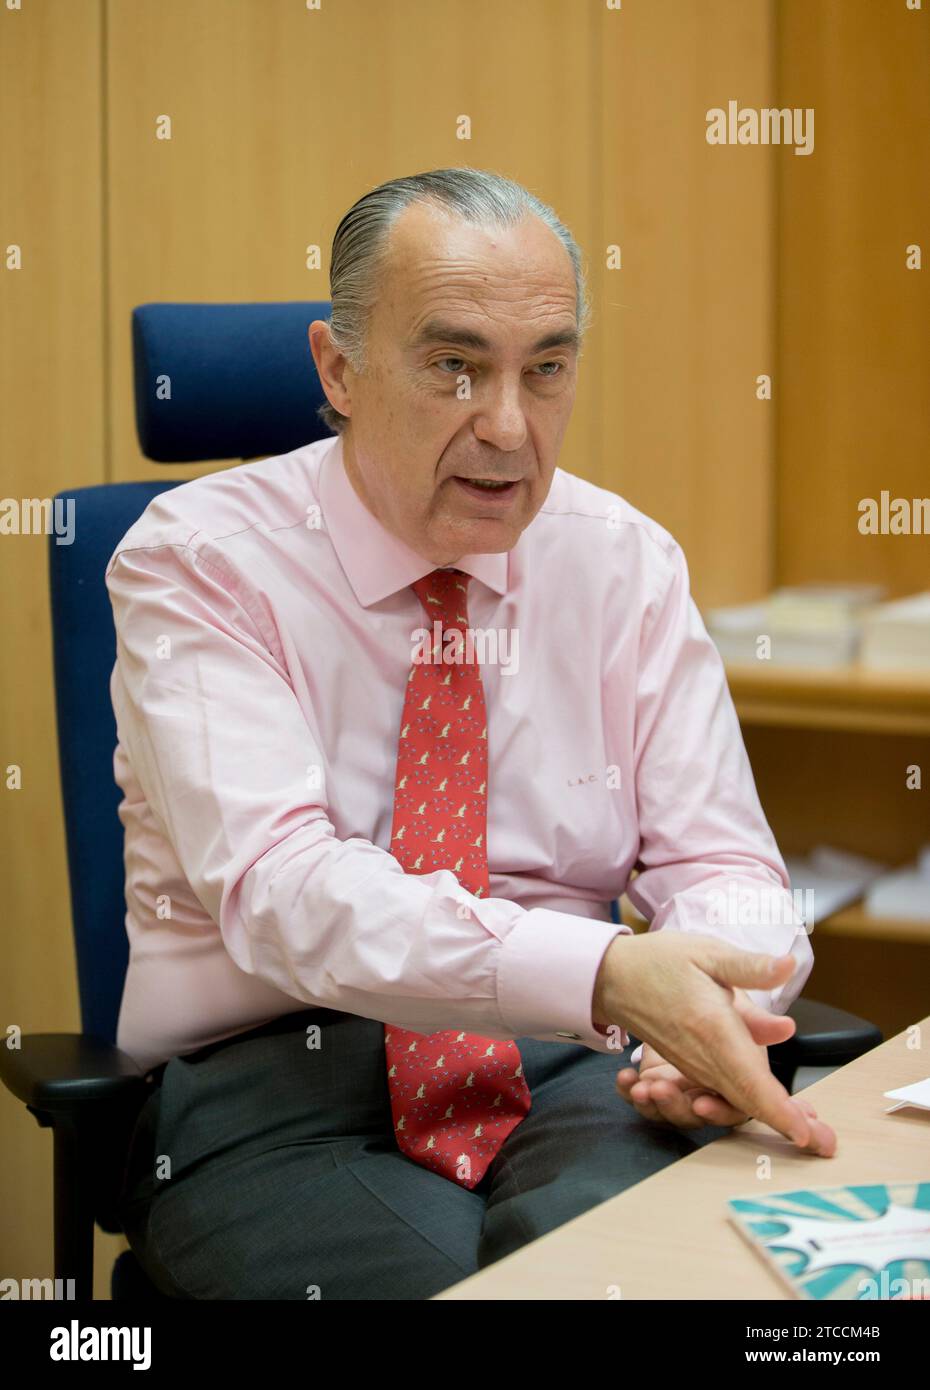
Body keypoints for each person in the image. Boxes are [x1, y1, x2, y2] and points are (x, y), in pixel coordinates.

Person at [111, 167, 835, 1302]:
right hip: (287, 1081)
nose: (509, 425)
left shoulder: (623, 561)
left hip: (580, 1068)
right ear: (339, 370)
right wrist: (605, 970)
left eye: (546, 369)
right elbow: (280, 886)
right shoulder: (199, 561)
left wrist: (720, 1001)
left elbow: (728, 864)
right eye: (456, 366)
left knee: (650, 1286)